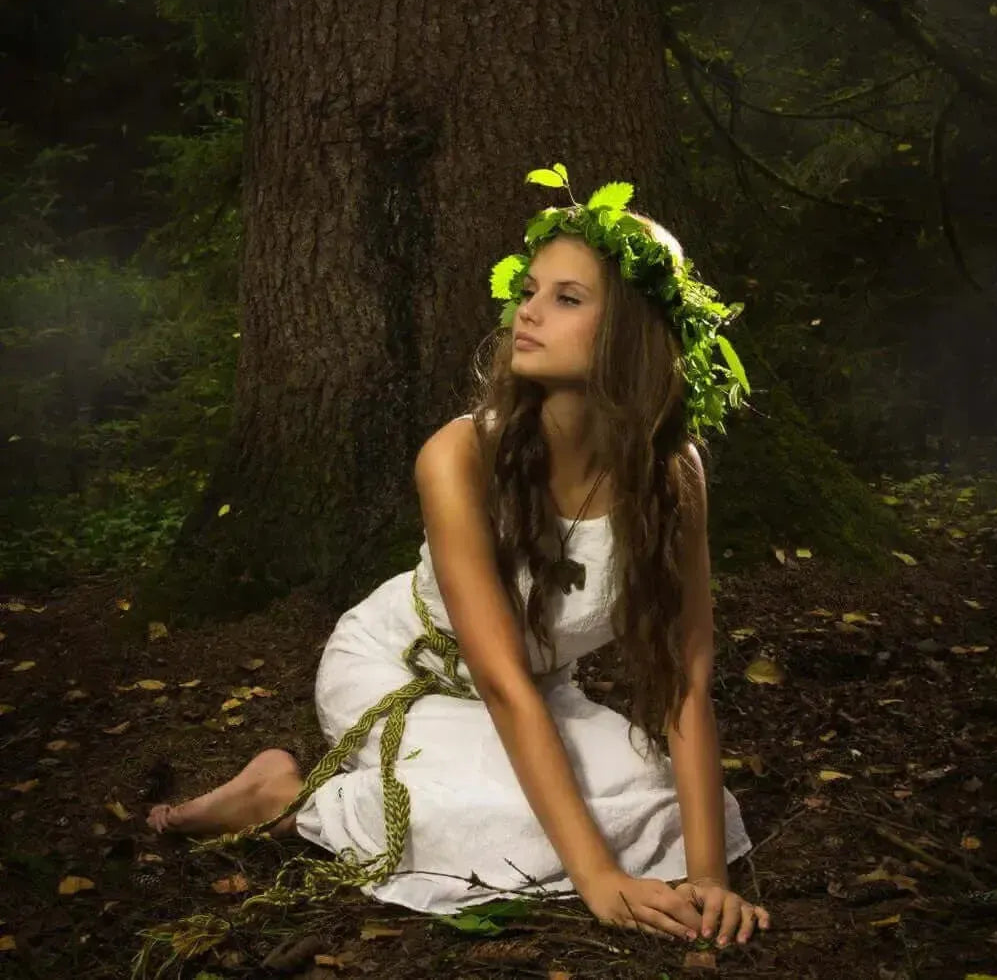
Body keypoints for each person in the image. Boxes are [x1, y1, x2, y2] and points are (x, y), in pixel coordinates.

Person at [146, 166, 770, 948]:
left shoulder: (675, 476)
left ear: (631, 333)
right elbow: (502, 683)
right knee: (485, 820)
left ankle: (370, 796)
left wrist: (709, 878)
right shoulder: (457, 455)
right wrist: (598, 882)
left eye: (567, 299)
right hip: (410, 673)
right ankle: (289, 790)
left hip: (543, 693)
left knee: (662, 799)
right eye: (531, 291)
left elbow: (688, 677)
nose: (528, 313)